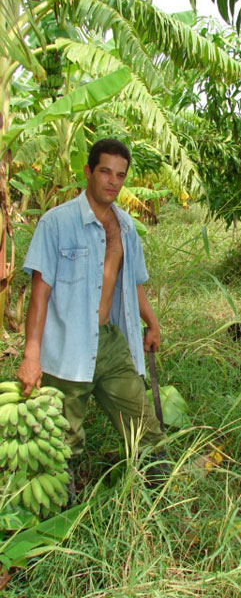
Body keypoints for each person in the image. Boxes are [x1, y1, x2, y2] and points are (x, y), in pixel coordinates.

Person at [17, 138, 168, 492]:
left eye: (120, 175)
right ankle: (60, 507)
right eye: (105, 172)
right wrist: (31, 354)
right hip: (66, 346)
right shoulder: (56, 224)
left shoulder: (126, 227)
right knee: (61, 440)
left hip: (110, 343)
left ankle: (159, 499)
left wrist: (152, 322)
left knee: (144, 426)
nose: (112, 181)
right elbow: (40, 294)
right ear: (88, 172)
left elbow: (133, 283)